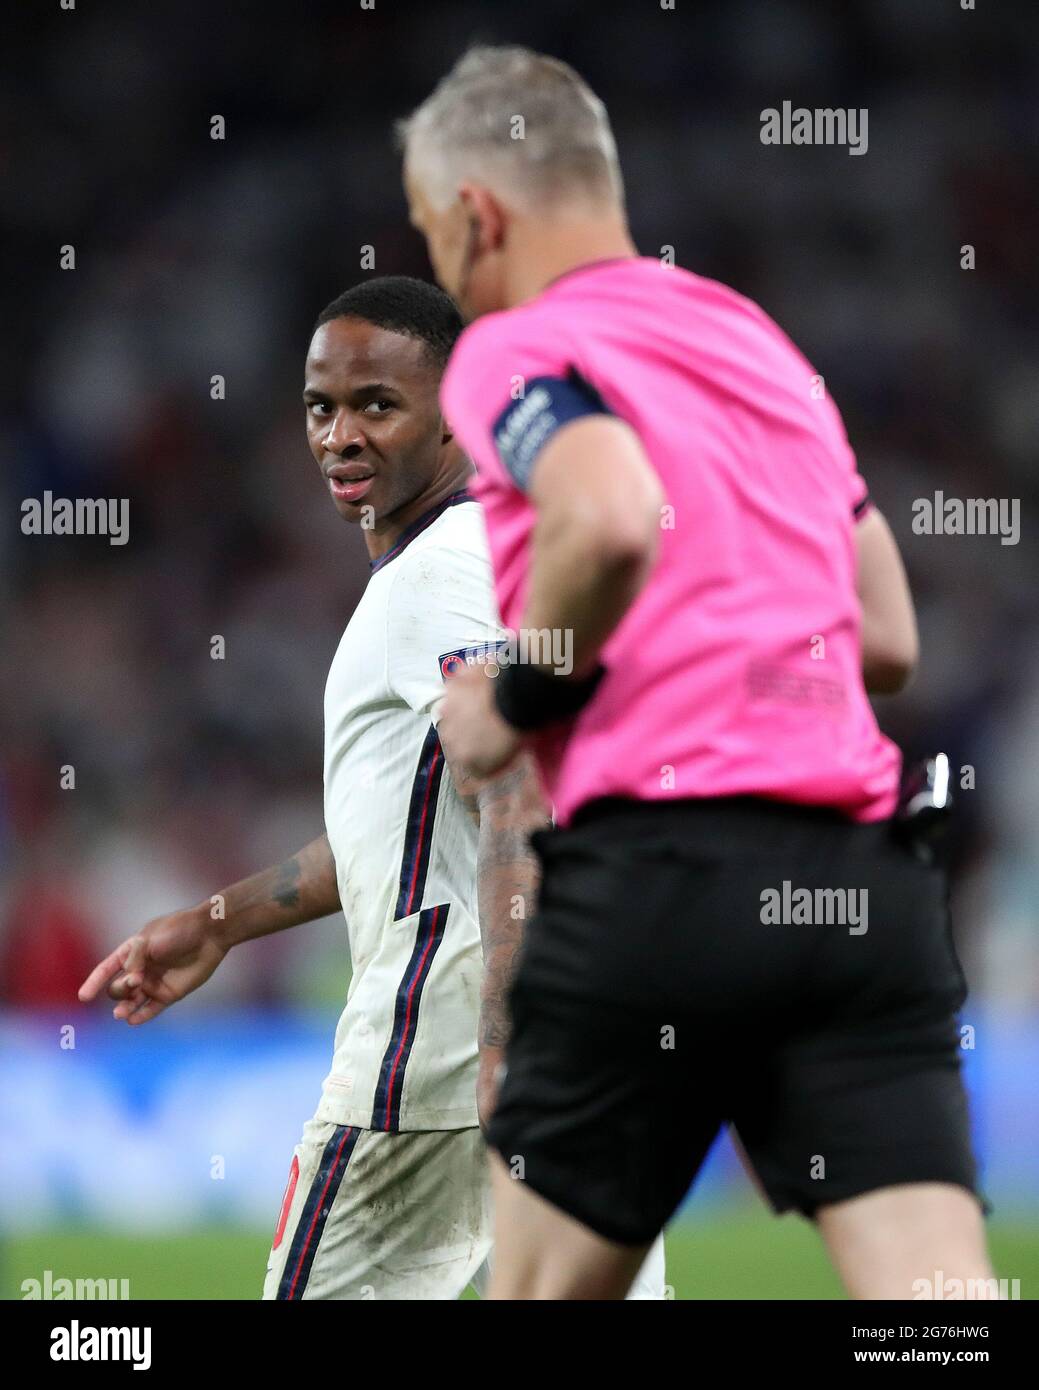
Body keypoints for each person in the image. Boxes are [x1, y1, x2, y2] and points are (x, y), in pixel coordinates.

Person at [399, 46, 994, 1300]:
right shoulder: (757, 345)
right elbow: (886, 634)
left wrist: (509, 701)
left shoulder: (513, 348)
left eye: (429, 233)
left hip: (657, 886)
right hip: (859, 891)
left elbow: (608, 513)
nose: (445, 271)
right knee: (939, 1315)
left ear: (476, 215)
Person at [79, 275, 666, 1300]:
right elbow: (409, 834)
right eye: (321, 406)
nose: (340, 435)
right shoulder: (507, 559)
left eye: (377, 405)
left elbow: (515, 791)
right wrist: (221, 921)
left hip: (436, 1067)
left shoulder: (439, 576)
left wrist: (503, 1040)